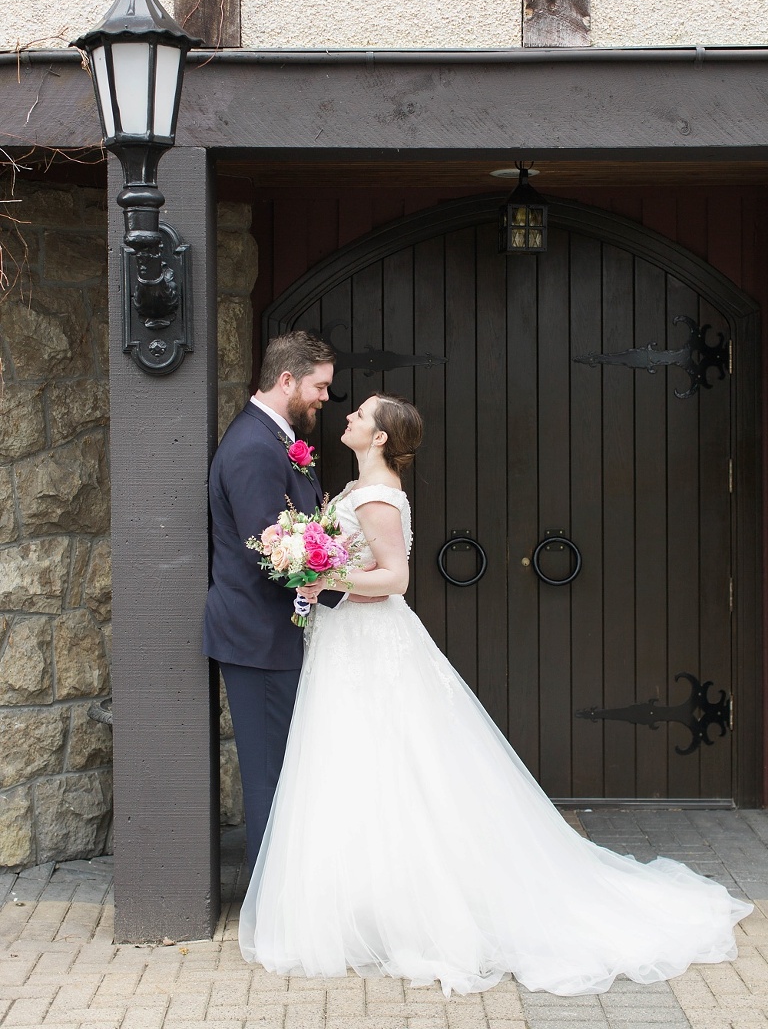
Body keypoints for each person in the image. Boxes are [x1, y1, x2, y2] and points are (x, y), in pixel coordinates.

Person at [238, 393, 752, 997]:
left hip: (370, 641)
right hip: (345, 637)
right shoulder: (357, 489)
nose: (348, 417)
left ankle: (408, 907)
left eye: (360, 415)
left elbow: (396, 579)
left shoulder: (378, 497)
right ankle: (361, 902)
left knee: (390, 761)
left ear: (379, 438)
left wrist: (323, 575)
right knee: (354, 763)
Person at [204, 331, 347, 875]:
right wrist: (344, 585)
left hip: (274, 634)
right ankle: (268, 903)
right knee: (269, 775)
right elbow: (275, 548)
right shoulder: (251, 448)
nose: (324, 399)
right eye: (320, 386)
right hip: (257, 636)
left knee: (286, 770)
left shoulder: (275, 439)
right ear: (287, 380)